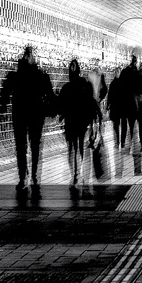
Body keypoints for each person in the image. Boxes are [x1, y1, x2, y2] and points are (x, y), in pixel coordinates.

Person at [0, 46, 56, 193]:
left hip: (20, 115)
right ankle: (32, 176)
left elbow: (5, 92)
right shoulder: (40, 75)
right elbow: (50, 95)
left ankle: (24, 177)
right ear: (32, 58)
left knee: (21, 147)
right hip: (35, 116)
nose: (30, 57)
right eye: (30, 55)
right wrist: (55, 109)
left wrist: (1, 108)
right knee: (34, 146)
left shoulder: (16, 76)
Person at [57, 58, 101, 189]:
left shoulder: (66, 87)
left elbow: (61, 106)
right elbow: (91, 102)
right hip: (80, 121)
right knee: (78, 147)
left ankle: (75, 175)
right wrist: (94, 120)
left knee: (72, 148)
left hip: (72, 121)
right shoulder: (84, 85)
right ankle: (77, 173)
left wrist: (61, 116)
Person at [116, 55, 141, 150]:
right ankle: (130, 142)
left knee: (123, 123)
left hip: (123, 101)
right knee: (131, 123)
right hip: (132, 101)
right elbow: (139, 87)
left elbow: (120, 86)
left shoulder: (124, 72)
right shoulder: (136, 72)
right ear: (135, 62)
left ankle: (122, 142)